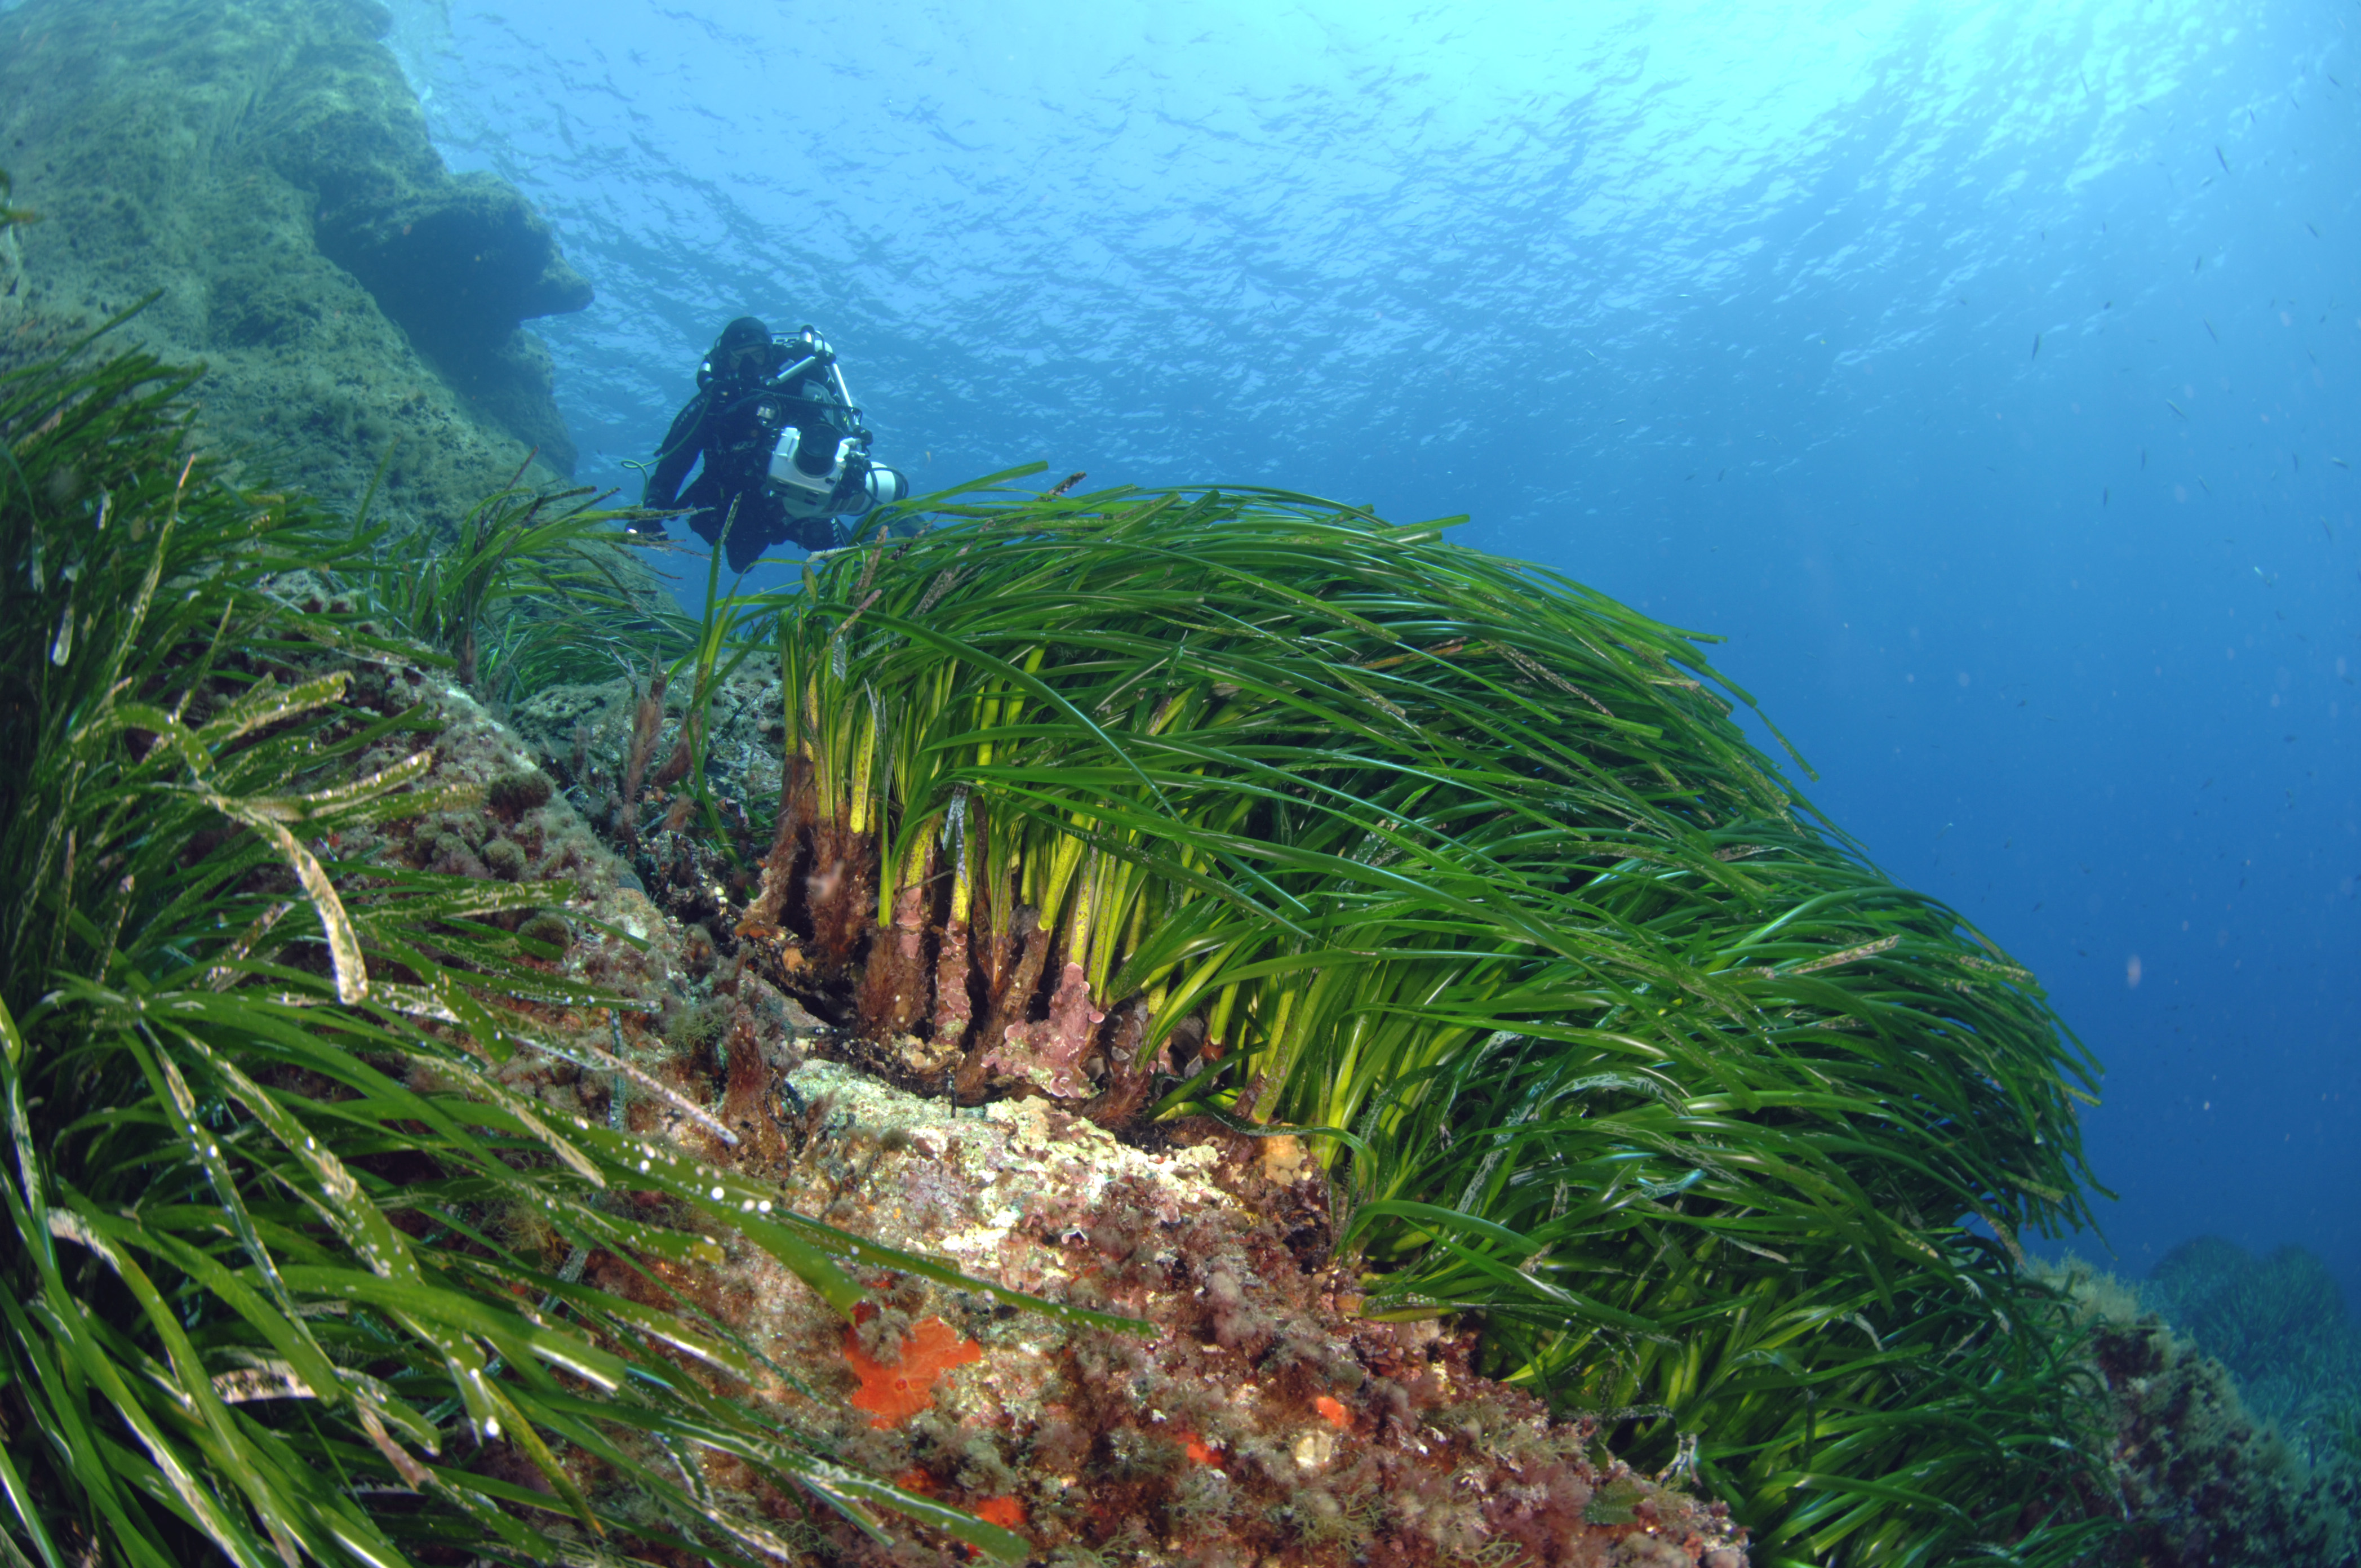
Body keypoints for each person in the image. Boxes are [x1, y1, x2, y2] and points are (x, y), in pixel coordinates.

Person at [638, 316, 909, 573]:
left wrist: (849, 467)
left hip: (798, 501)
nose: (749, 366)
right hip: (743, 505)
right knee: (740, 560)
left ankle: (888, 547)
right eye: (738, 358)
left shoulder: (797, 391)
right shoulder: (711, 407)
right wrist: (654, 508)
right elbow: (674, 464)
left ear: (769, 355)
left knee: (840, 555)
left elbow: (832, 441)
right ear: (724, 361)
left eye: (756, 355)